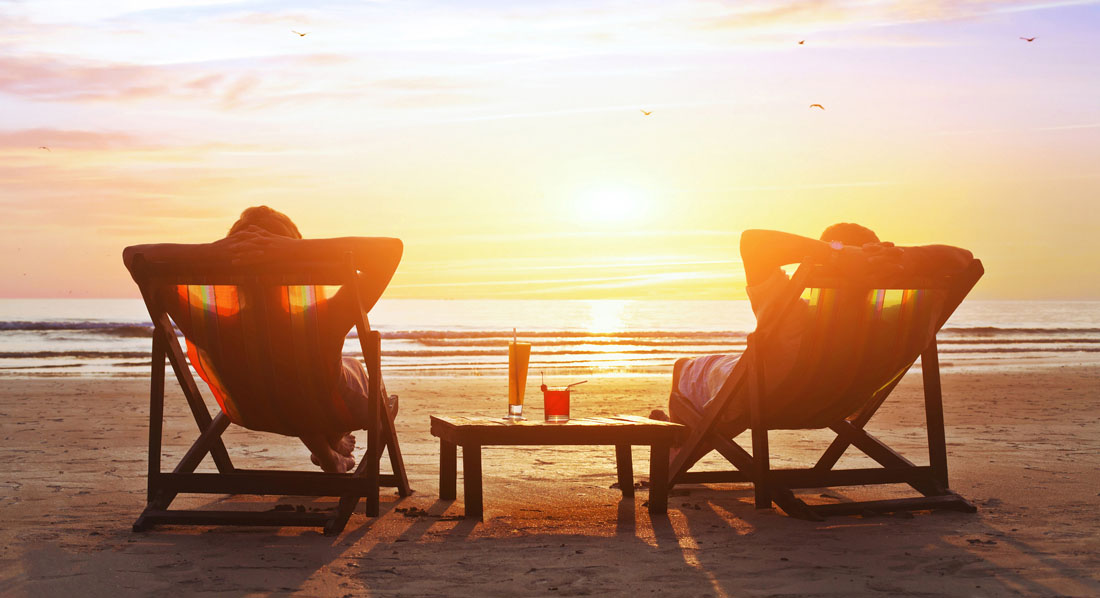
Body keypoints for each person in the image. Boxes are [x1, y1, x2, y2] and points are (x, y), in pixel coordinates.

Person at [122, 206, 400, 473]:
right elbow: (391, 251)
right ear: (297, 265)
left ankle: (330, 452)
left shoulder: (209, 325)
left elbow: (133, 256)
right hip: (329, 411)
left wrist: (212, 252)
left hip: (253, 412)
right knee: (344, 370)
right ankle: (332, 441)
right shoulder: (324, 321)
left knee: (291, 380)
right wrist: (291, 249)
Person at [652, 224, 973, 427]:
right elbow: (963, 258)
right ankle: (685, 435)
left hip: (767, 398)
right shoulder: (886, 323)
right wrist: (897, 257)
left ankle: (678, 445)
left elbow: (753, 241)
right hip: (842, 402)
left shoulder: (790, 308)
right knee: (727, 370)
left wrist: (841, 254)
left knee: (686, 368)